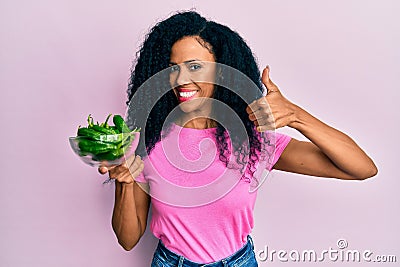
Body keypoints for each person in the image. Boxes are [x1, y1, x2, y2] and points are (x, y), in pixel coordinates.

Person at [98, 11, 377, 267]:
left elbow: (362, 168)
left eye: (195, 67)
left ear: (222, 71)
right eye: (173, 68)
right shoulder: (147, 143)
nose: (181, 79)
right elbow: (128, 239)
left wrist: (296, 116)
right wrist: (124, 183)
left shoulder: (252, 143)